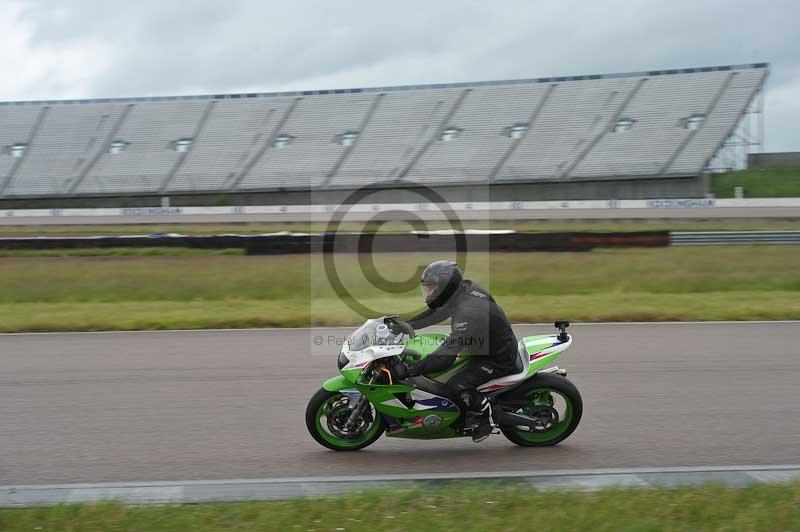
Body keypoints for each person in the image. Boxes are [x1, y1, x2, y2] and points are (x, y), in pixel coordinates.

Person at [390, 260, 519, 442]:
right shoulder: (460, 292)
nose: (428, 292)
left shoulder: (469, 312)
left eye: (432, 288)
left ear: (445, 287)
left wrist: (411, 370)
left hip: (497, 357)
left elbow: (445, 358)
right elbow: (438, 313)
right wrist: (405, 325)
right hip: (480, 345)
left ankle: (485, 416)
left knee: (455, 385)